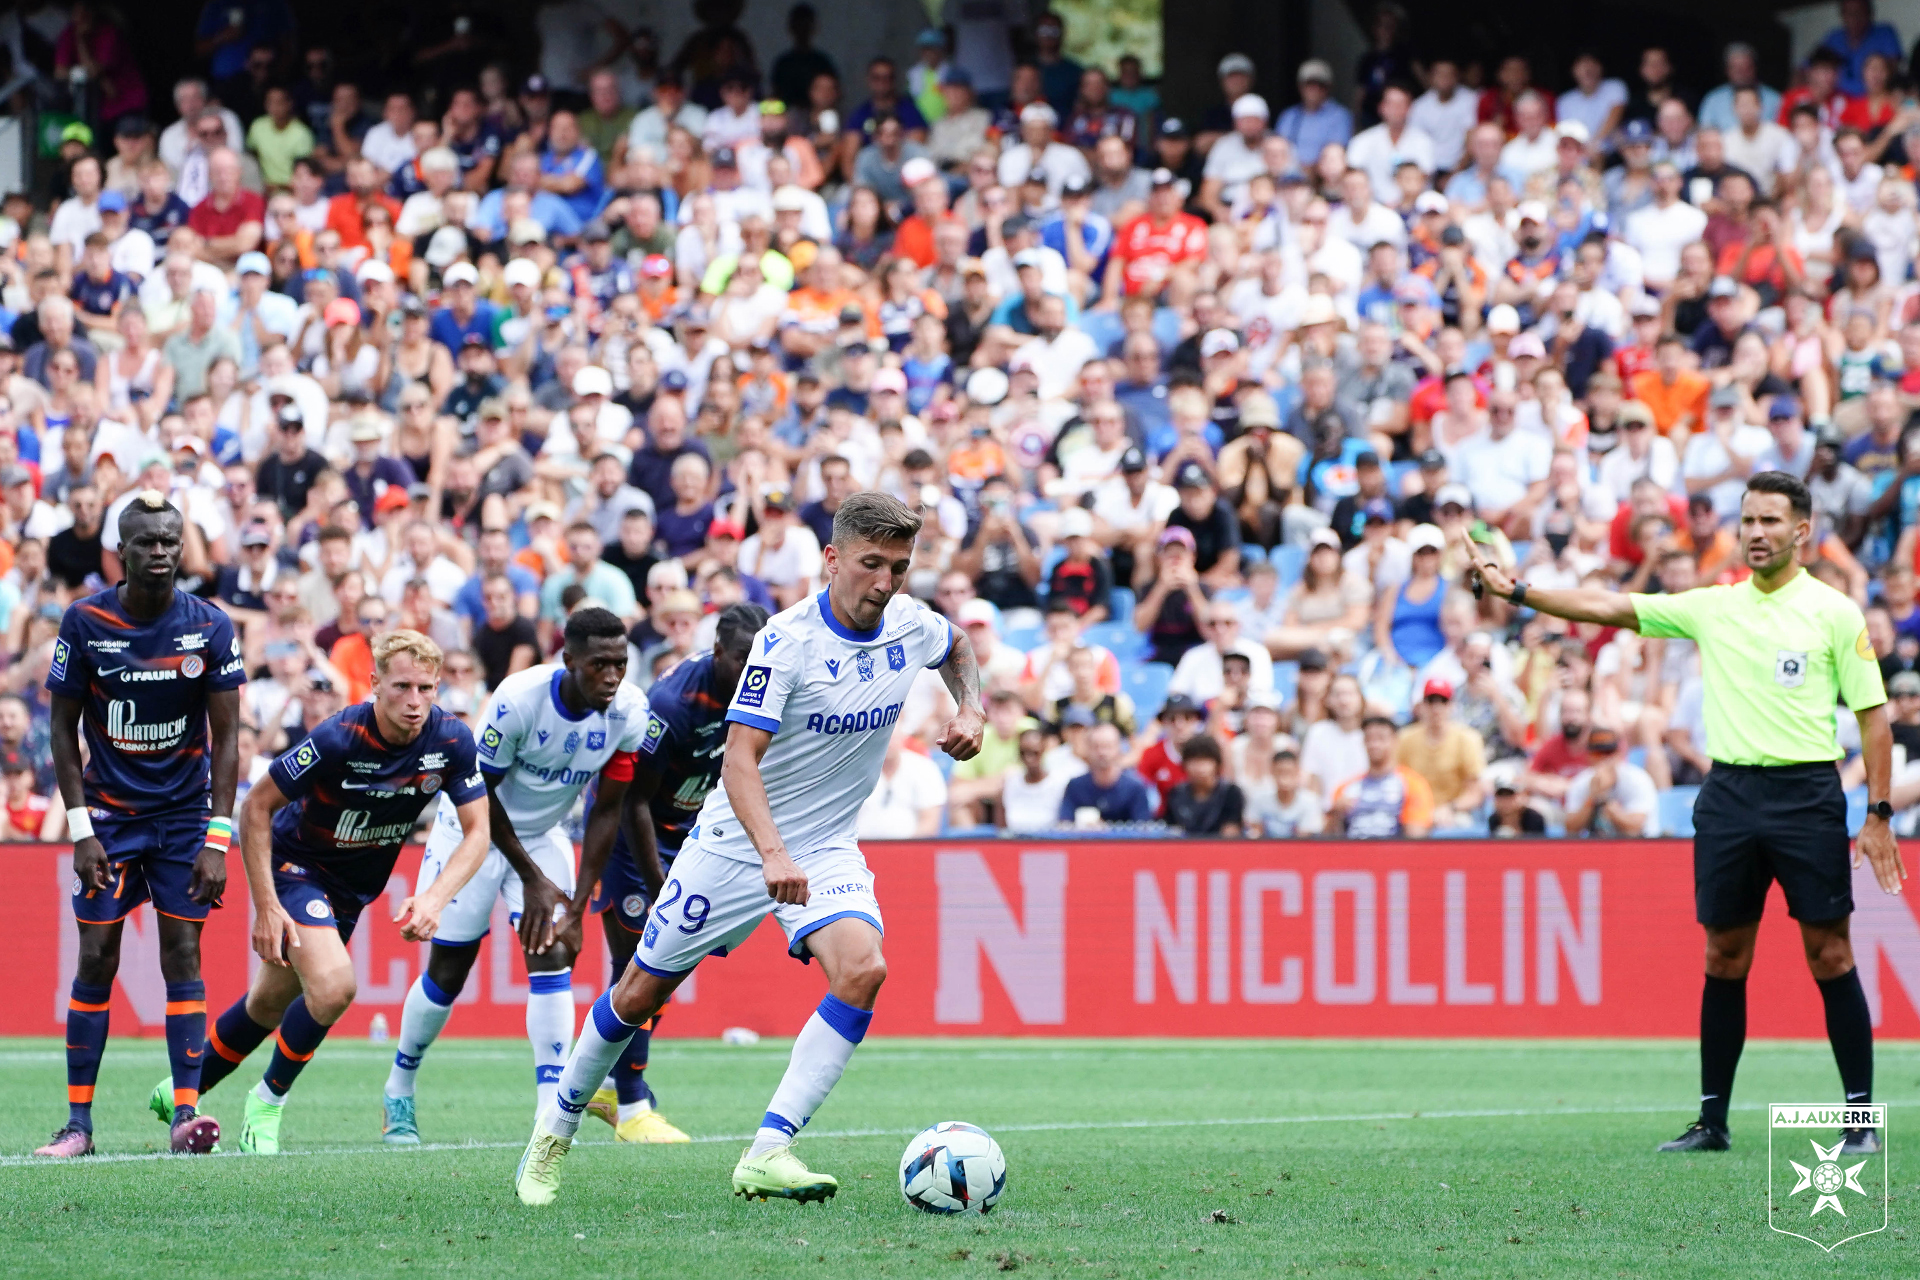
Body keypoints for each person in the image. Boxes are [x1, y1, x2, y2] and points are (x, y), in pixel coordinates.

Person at [512, 491, 982, 1206]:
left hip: (824, 846)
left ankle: (768, 1151)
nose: (885, 582)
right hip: (736, 844)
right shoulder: (786, 641)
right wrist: (770, 855)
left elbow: (959, 648)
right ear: (831, 560)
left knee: (863, 970)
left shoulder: (911, 624)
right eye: (870, 564)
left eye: (899, 566)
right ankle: (555, 1130)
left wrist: (971, 705)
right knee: (639, 993)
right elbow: (737, 760)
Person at [1464, 470, 1900, 1156]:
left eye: (1770, 522)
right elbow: (1610, 607)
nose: (1756, 533)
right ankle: (1712, 1121)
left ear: (1802, 531)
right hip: (1728, 796)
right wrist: (1519, 591)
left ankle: (1859, 1118)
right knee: (1724, 957)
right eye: (1748, 520)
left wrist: (1876, 813)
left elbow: (1876, 721)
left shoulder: (1834, 613)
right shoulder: (1713, 605)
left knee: (1831, 953)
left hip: (1806, 797)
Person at [180, 630, 489, 1155]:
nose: (414, 702)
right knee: (334, 987)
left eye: (426, 689)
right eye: (401, 687)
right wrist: (267, 906)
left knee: (267, 1003)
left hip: (352, 889)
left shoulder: (452, 741)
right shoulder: (339, 737)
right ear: (373, 684)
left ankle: (180, 1093)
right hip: (297, 867)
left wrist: (434, 897)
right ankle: (268, 1100)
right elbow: (256, 808)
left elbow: (478, 830)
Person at [379, 609, 653, 1142]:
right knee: (447, 975)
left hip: (543, 837)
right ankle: (399, 1087)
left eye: (620, 663)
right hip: (472, 831)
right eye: (600, 664)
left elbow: (606, 809)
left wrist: (574, 905)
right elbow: (476, 795)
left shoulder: (629, 712)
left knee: (551, 952)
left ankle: (549, 1112)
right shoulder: (518, 699)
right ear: (568, 660)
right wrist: (529, 878)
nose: (613, 676)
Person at [34, 493, 245, 1160]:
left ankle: (186, 1116)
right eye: (146, 541)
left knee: (182, 954)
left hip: (184, 821)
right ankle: (77, 1127)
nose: (160, 551)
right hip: (110, 819)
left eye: (169, 540)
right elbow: (61, 735)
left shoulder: (210, 625)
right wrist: (79, 828)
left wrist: (217, 838)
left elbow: (230, 737)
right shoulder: (85, 621)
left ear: (183, 548)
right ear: (118, 552)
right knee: (96, 958)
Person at [579, 602, 768, 1143]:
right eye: (741, 658)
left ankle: (606, 1081)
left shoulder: (763, 692)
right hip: (629, 837)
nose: (751, 669)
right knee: (638, 965)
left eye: (760, 659)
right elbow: (634, 799)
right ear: (716, 653)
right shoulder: (675, 703)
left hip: (690, 838)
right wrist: (660, 883)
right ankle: (632, 1108)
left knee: (666, 973)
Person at [1163, 734, 1243, 836]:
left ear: (1217, 764)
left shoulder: (1231, 793)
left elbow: (1231, 832)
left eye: (1205, 760)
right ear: (1184, 764)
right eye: (1194, 761)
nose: (1200, 767)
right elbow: (1171, 830)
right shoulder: (1175, 794)